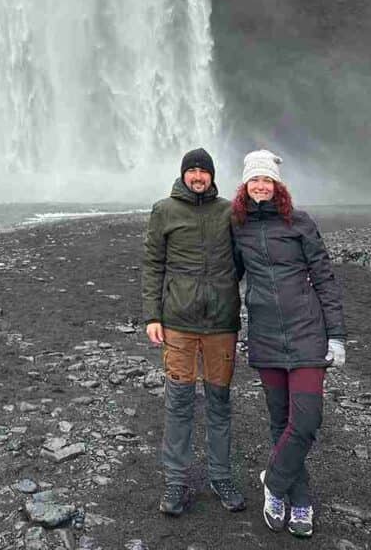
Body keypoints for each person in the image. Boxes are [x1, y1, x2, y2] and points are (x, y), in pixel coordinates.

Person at [231, 149, 346, 539]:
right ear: (245, 185)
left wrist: (337, 335)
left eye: (267, 180)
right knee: (281, 422)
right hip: (265, 338)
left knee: (307, 420)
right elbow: (224, 275)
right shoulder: (238, 227)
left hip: (307, 334)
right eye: (254, 180)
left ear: (277, 186)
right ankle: (299, 501)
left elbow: (326, 280)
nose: (261, 185)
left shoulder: (299, 223)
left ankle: (273, 481)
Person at [142, 148, 245, 516]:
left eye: (204, 171)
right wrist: (152, 315)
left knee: (219, 403)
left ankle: (221, 477)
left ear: (212, 176)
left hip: (220, 324)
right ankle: (175, 481)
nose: (198, 176)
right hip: (179, 324)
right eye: (193, 171)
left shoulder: (229, 211)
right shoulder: (164, 211)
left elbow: (244, 259)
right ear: (183, 174)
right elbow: (153, 265)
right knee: (179, 403)